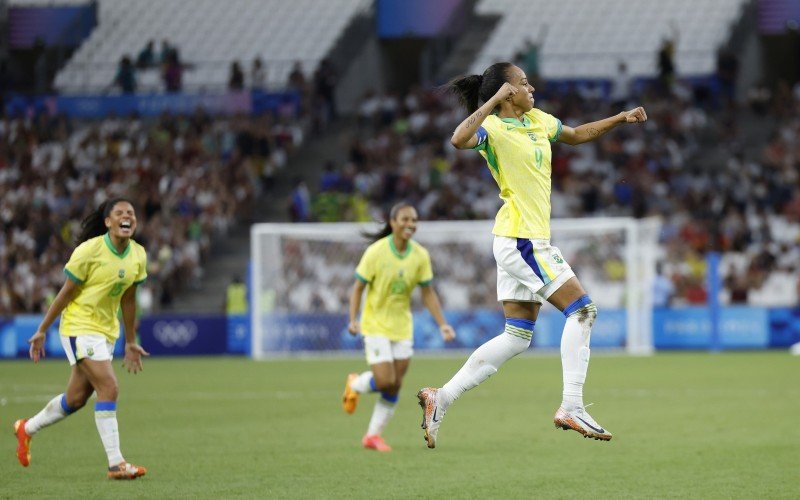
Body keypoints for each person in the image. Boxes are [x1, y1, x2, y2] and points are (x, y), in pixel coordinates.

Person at [417, 62, 648, 448]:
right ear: (507, 93)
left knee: (517, 336)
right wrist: (491, 102)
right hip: (522, 240)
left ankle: (441, 397)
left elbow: (574, 135)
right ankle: (571, 405)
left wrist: (620, 118)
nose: (532, 88)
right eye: (523, 84)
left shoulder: (537, 119)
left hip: (520, 238)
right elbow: (458, 139)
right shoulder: (491, 128)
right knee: (583, 311)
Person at [14, 198, 150, 479]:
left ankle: (25, 429)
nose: (127, 216)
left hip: (106, 331)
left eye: (131, 213)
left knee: (76, 399)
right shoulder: (89, 251)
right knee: (109, 387)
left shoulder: (138, 255)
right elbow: (66, 292)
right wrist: (42, 329)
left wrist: (130, 340)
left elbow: (128, 299)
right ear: (108, 222)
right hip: (79, 326)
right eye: (120, 213)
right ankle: (116, 464)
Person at [342, 202, 456, 452]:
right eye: (405, 219)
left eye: (414, 220)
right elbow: (358, 286)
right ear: (393, 222)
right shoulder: (376, 252)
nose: (410, 224)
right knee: (385, 381)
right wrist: (353, 319)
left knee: (395, 384)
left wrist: (443, 324)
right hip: (375, 324)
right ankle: (356, 384)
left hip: (402, 327)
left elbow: (428, 293)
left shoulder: (420, 255)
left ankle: (372, 436)